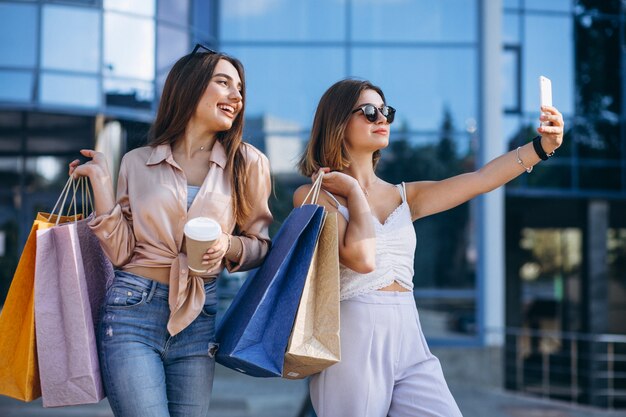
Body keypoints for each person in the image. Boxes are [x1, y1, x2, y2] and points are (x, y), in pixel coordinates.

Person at [295, 78, 564, 417]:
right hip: (354, 336)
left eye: (385, 111)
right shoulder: (314, 195)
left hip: (410, 332)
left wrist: (542, 147)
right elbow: (361, 258)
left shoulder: (405, 196)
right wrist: (351, 189)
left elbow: (481, 180)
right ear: (336, 122)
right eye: (368, 111)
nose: (382, 119)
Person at [69, 45, 272, 417]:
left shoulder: (249, 164)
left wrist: (228, 244)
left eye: (240, 89)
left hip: (199, 316)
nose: (236, 96)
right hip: (132, 310)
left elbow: (261, 246)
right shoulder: (137, 161)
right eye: (223, 83)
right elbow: (121, 253)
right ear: (190, 87)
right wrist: (101, 183)